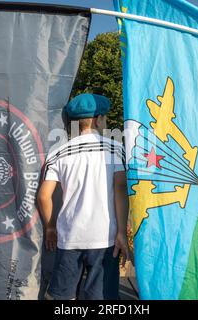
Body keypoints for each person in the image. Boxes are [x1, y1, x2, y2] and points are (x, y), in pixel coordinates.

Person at [37, 93, 130, 300]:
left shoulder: (57, 152)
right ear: (98, 119)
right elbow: (120, 189)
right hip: (103, 237)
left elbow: (44, 196)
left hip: (69, 236)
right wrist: (122, 231)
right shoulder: (115, 148)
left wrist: (50, 228)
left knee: (62, 296)